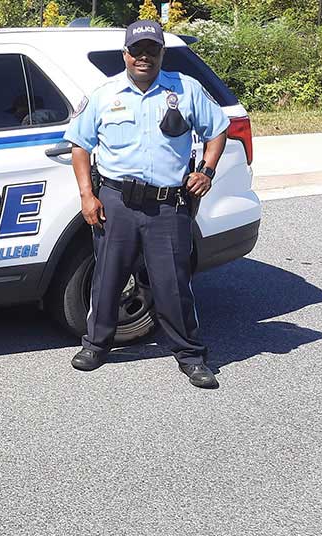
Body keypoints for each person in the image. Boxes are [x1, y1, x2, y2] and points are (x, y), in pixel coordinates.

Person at [63, 21, 228, 389]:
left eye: (151, 51)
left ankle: (190, 354)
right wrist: (87, 195)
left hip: (168, 206)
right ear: (125, 54)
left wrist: (206, 170)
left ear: (161, 54)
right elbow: (80, 144)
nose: (144, 57)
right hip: (116, 202)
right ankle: (96, 345)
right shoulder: (105, 94)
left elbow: (218, 129)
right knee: (107, 278)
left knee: (173, 283)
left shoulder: (186, 90)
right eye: (136, 51)